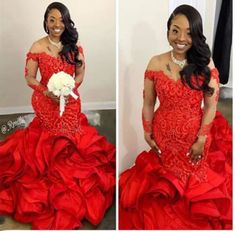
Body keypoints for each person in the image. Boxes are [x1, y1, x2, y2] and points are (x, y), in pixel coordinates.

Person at [0, 2, 115, 230]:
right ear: (45, 21)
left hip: (70, 99)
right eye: (51, 19)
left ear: (67, 21)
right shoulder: (38, 46)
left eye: (61, 20)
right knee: (50, 137)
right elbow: (30, 78)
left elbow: (81, 73)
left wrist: (70, 88)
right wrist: (47, 92)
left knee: (71, 138)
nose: (56, 24)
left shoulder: (74, 45)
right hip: (45, 100)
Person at [119, 4, 232, 230]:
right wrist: (146, 130)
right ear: (168, 31)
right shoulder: (155, 63)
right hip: (163, 136)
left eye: (189, 33)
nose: (181, 38)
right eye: (175, 30)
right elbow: (149, 102)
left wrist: (201, 139)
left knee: (191, 190)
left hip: (193, 140)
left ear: (197, 35)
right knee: (164, 185)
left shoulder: (205, 65)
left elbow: (210, 106)